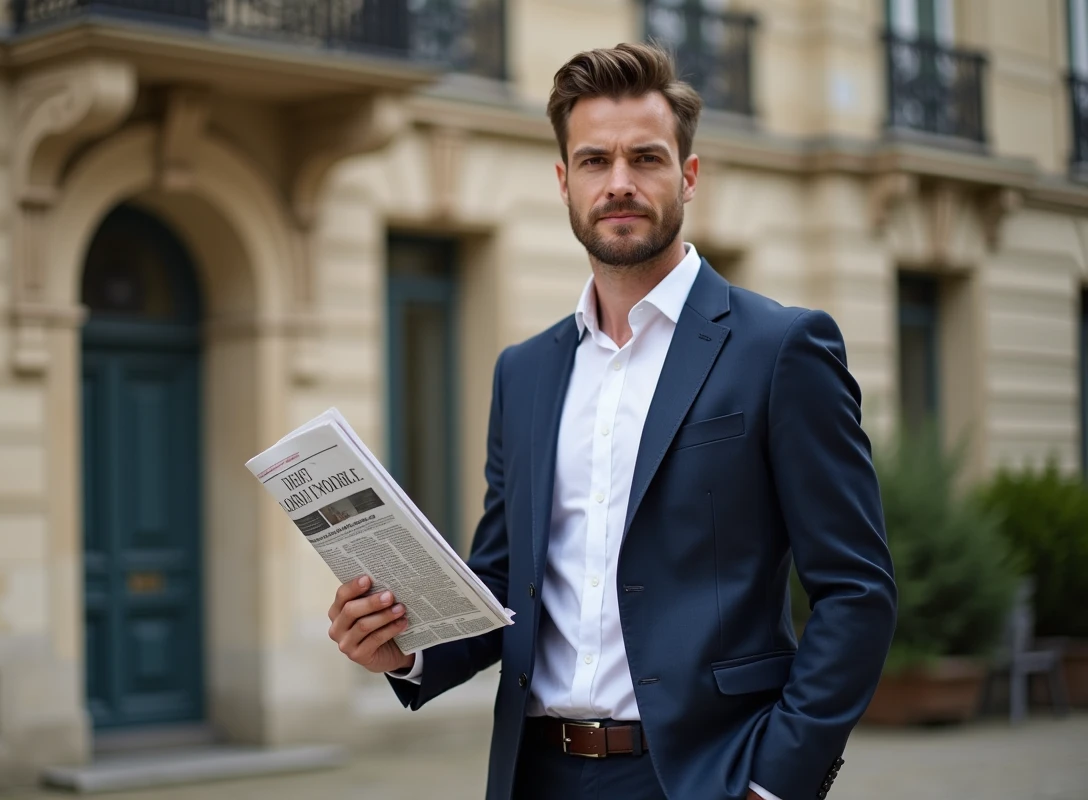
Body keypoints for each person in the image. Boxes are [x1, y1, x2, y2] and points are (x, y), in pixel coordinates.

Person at [326, 42, 897, 800]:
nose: (619, 183)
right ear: (564, 182)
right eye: (594, 161)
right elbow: (505, 587)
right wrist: (402, 649)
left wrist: (774, 783)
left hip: (704, 777)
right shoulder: (524, 373)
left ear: (688, 177)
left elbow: (857, 591)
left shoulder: (781, 349)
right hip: (535, 774)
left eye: (646, 159)